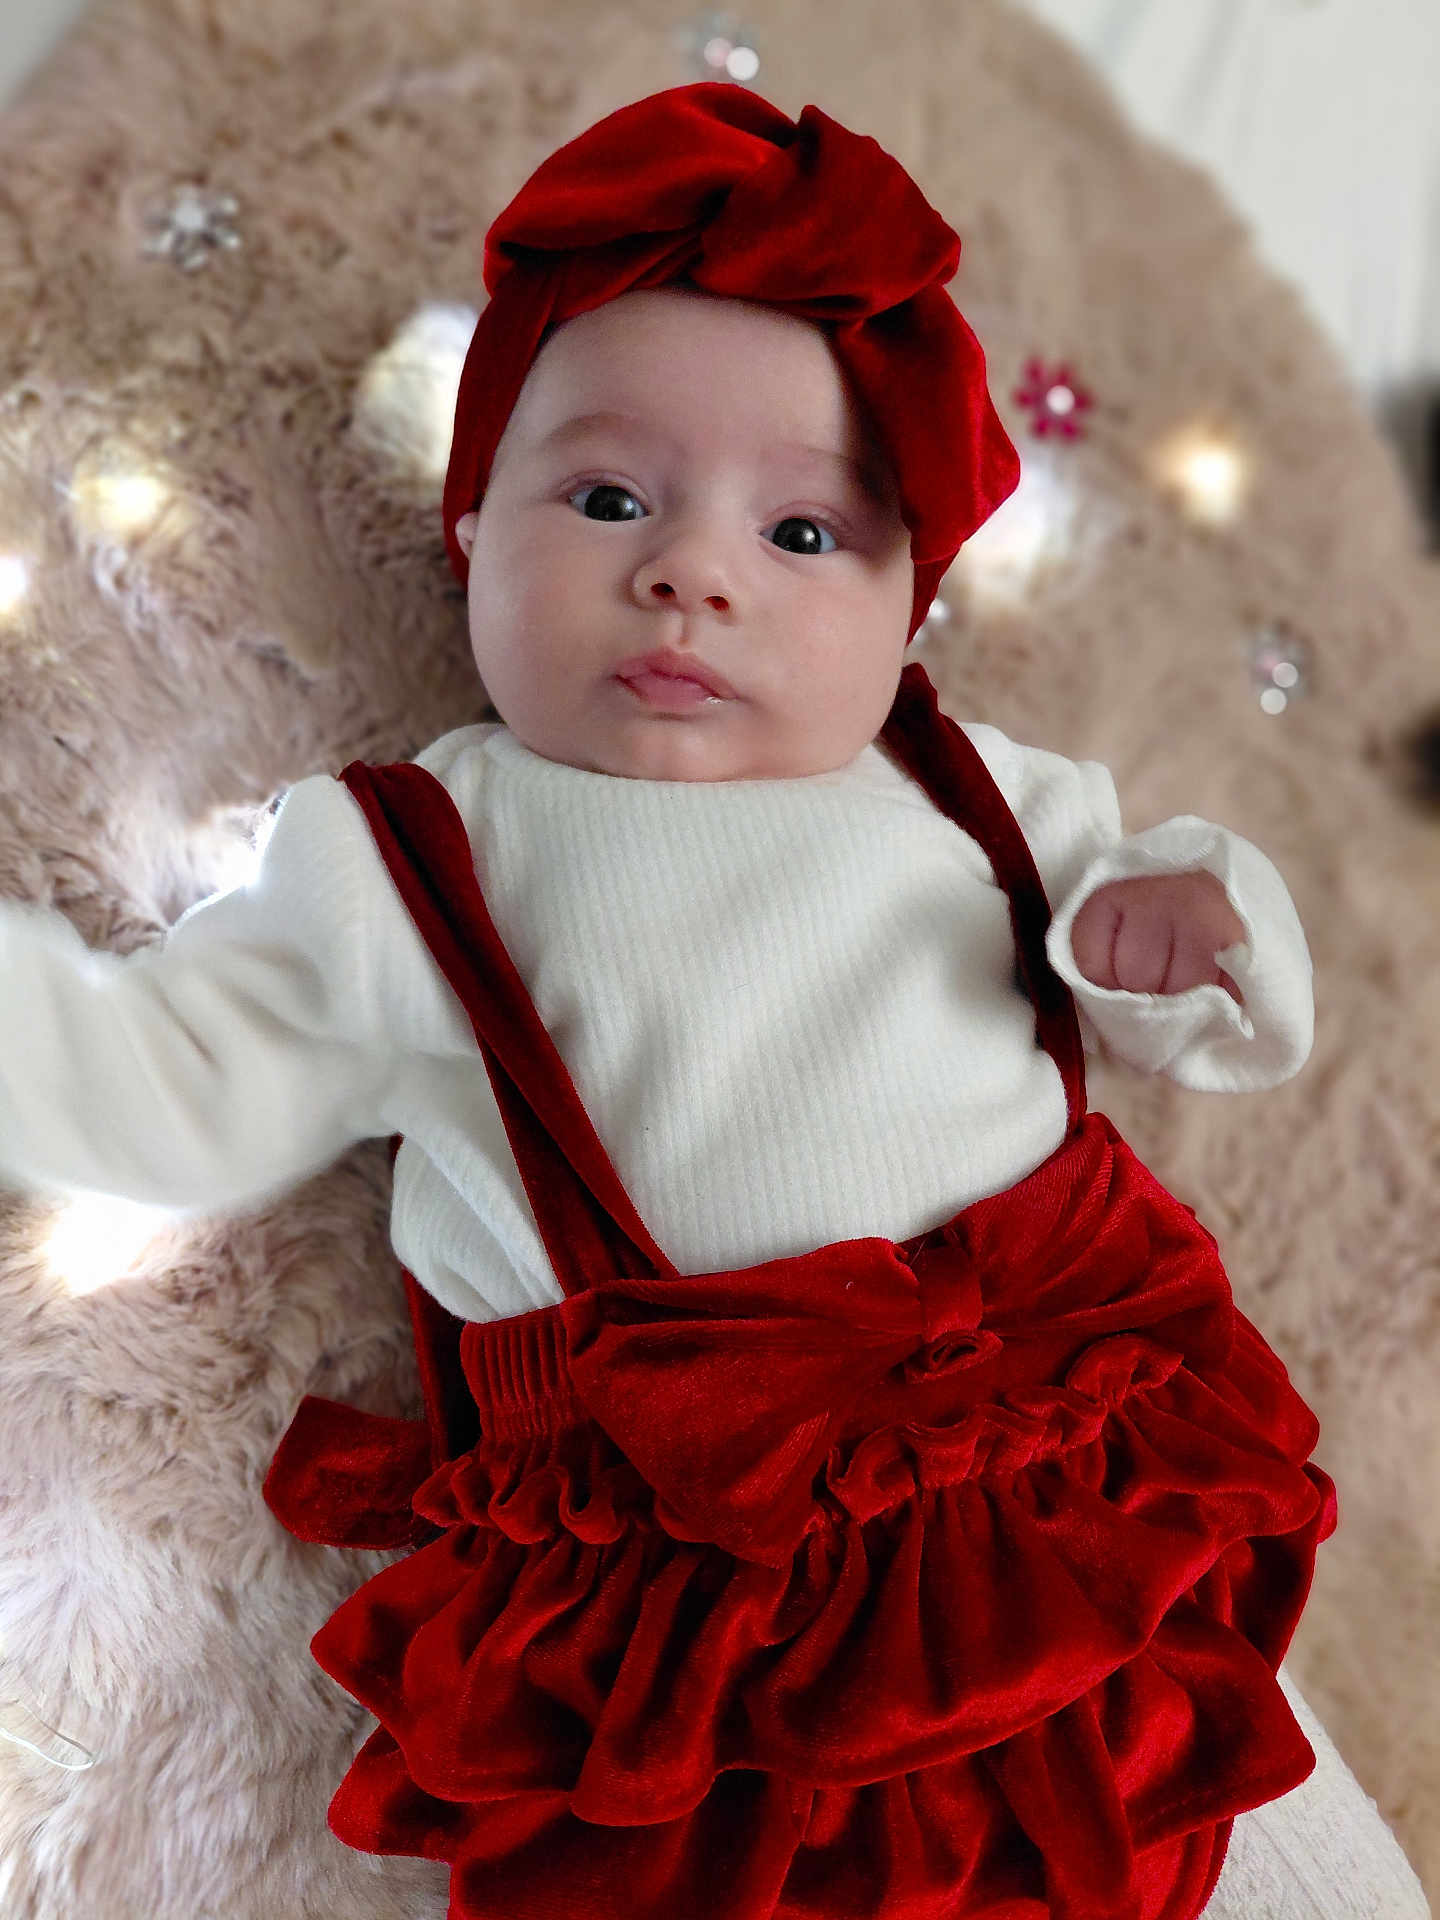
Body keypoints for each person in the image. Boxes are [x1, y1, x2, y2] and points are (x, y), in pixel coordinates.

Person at [0, 82, 1427, 1920]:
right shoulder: (413, 855)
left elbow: (1202, 1003)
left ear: (913, 608)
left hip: (1072, 1484)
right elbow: (171, 1082)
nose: (691, 573)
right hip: (702, 1590)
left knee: (1272, 1846)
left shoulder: (979, 790)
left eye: (806, 539)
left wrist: (1193, 924)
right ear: (472, 532)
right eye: (607, 498)